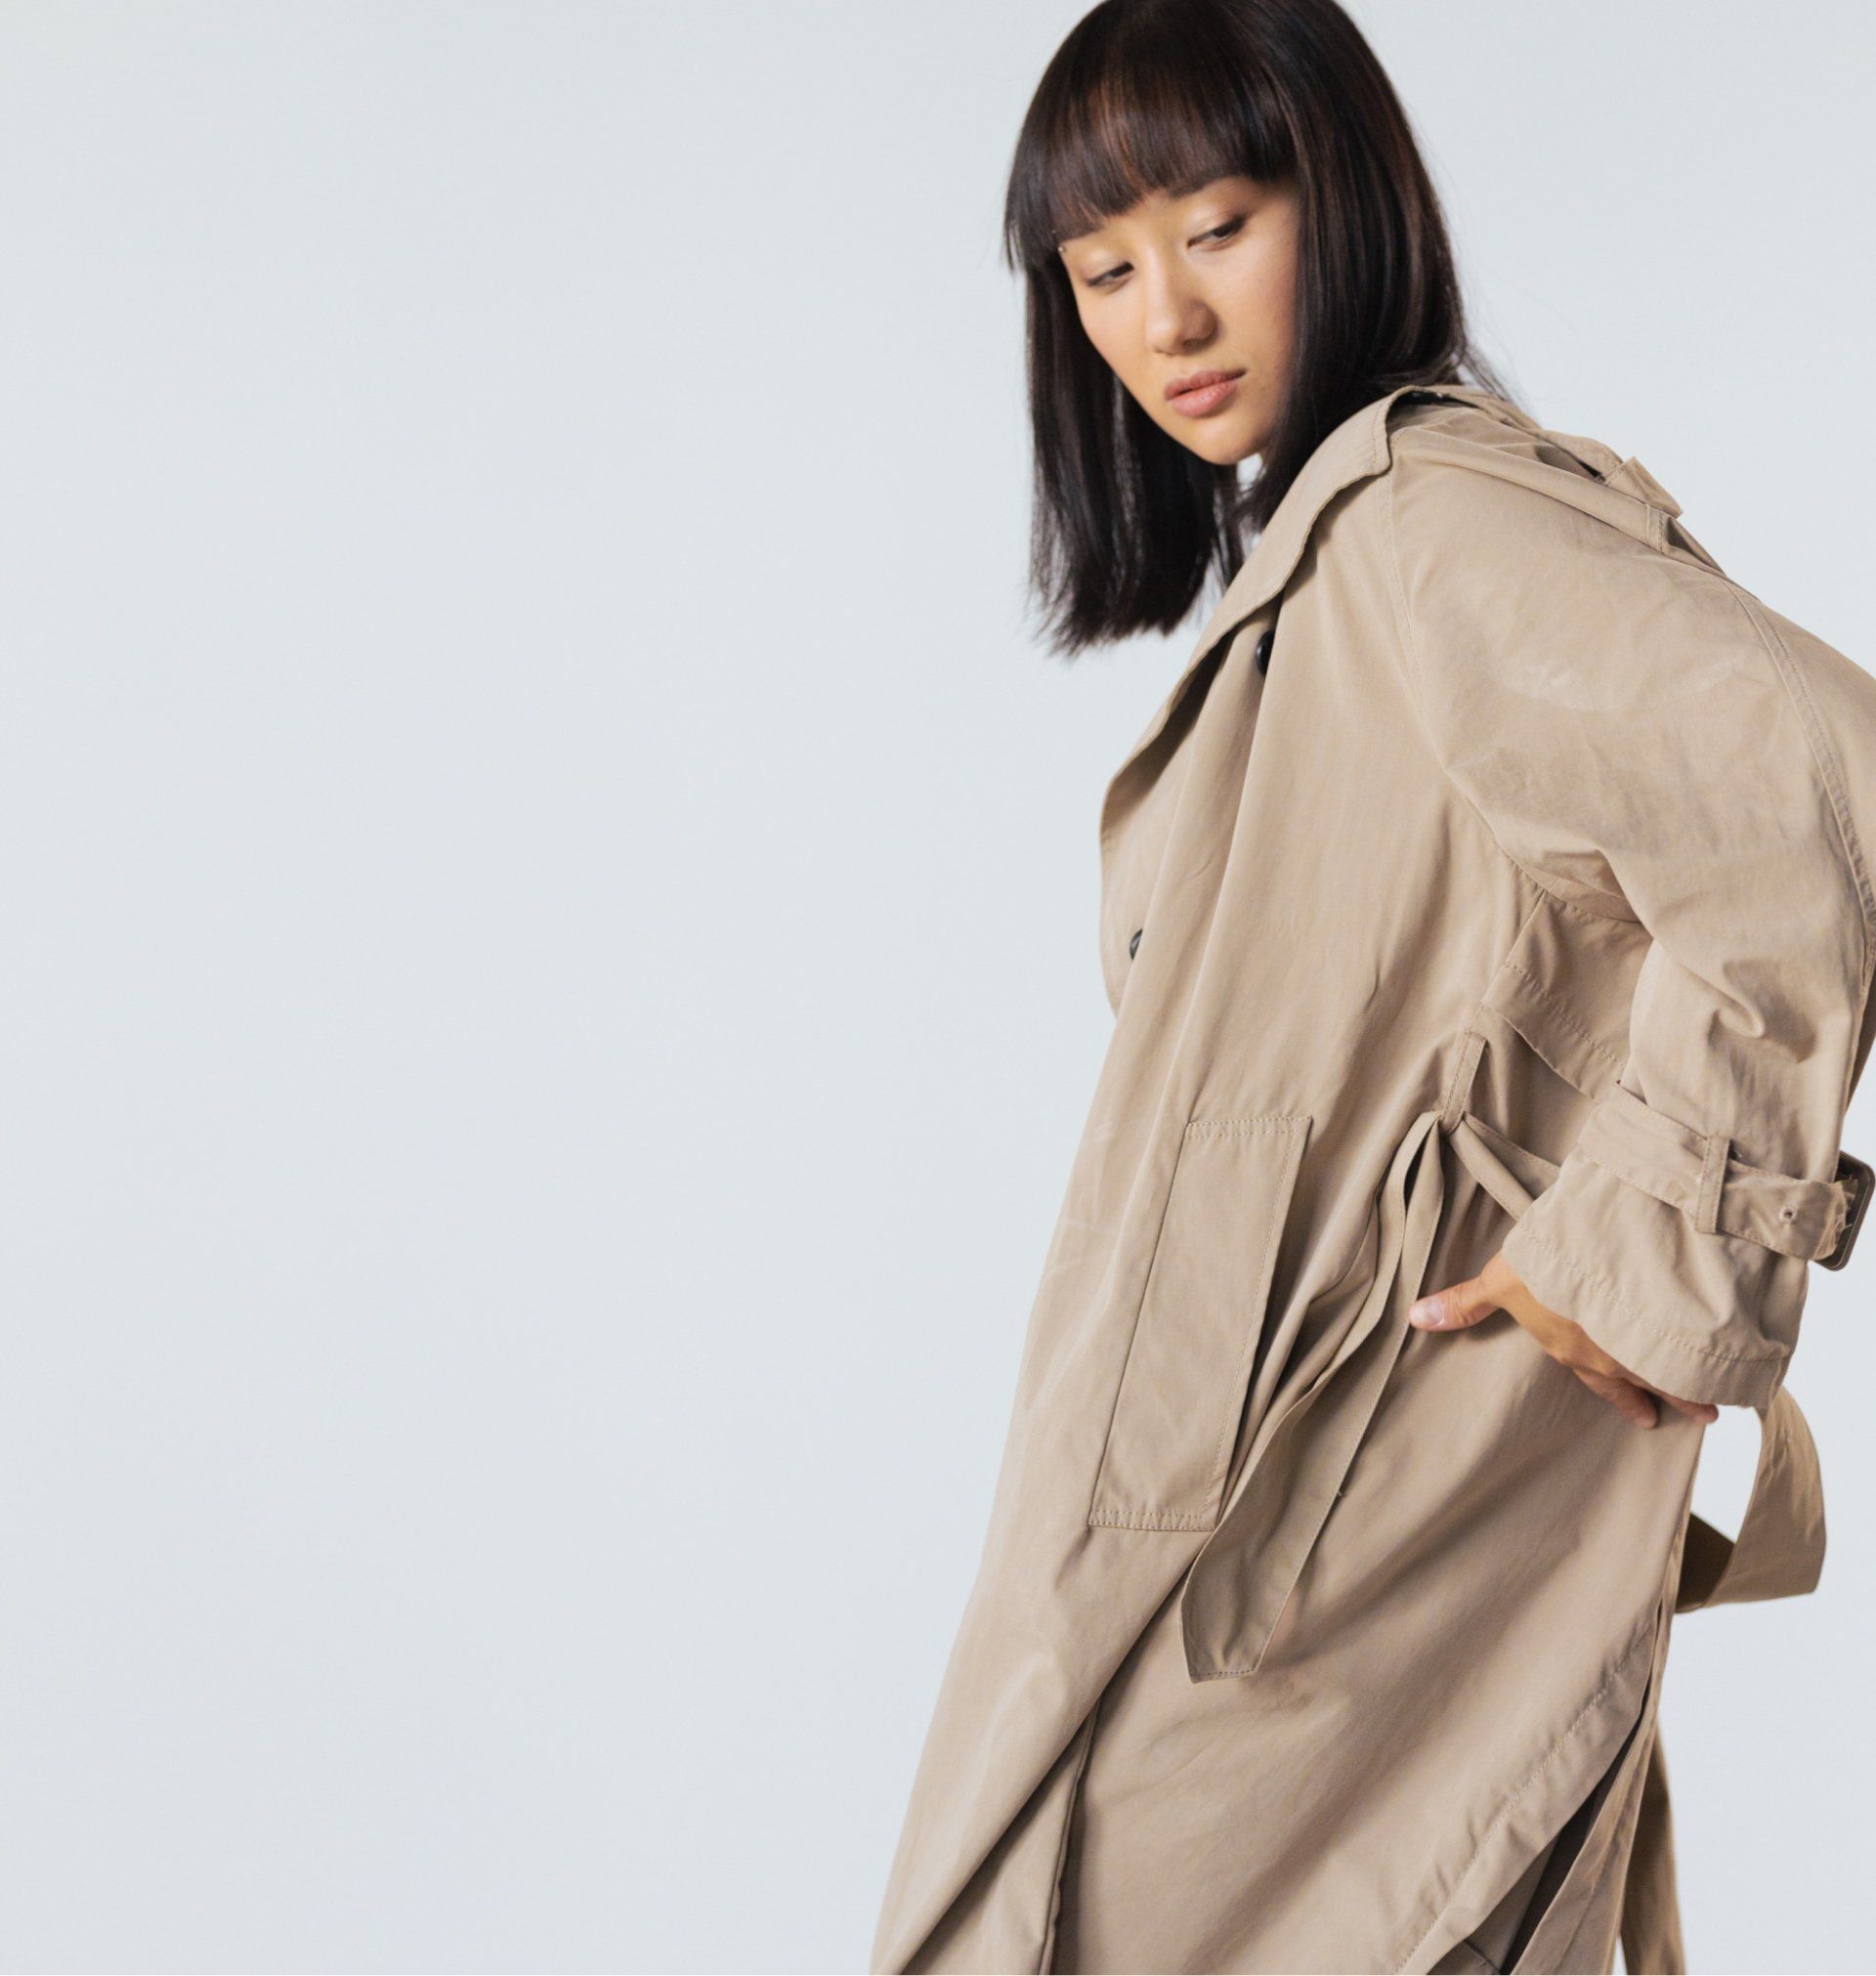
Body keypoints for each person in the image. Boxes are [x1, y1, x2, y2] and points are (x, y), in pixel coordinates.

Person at [869, 2, 1876, 1972]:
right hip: (1254, 1524)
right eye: (1102, 269)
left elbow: (1822, 798)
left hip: (1327, 1548)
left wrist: (1648, 1246)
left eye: (1217, 224)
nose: (1165, 316)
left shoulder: (1428, 527)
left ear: (1344, 199)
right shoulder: (1331, 563)